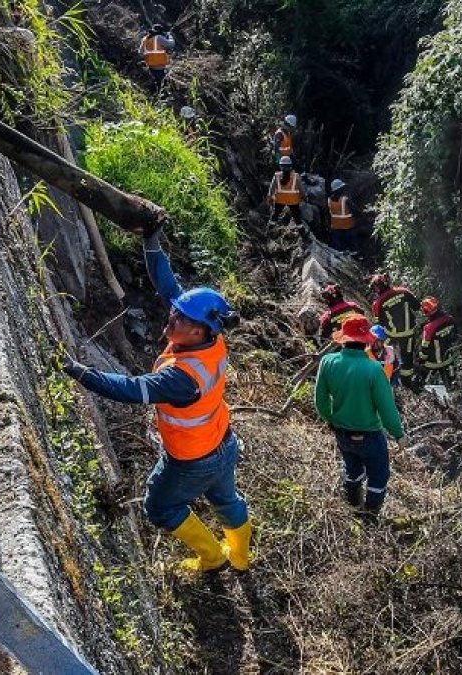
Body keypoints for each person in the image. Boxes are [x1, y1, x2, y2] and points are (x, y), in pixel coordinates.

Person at [61, 231, 251, 573]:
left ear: (198, 330)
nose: (171, 317)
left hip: (192, 460)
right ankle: (240, 558)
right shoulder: (211, 339)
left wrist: (83, 374)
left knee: (160, 508)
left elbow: (132, 389)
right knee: (226, 500)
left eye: (179, 318)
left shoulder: (183, 379)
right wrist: (152, 242)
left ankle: (214, 559)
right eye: (175, 313)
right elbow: (168, 288)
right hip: (223, 442)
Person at [314, 315, 406, 521]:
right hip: (371, 435)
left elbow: (319, 401)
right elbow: (387, 409)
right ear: (366, 339)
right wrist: (399, 434)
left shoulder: (328, 362)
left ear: (344, 338)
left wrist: (331, 420)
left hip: (342, 433)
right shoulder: (374, 369)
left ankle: (354, 507)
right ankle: (370, 517)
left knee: (352, 468)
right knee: (378, 476)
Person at [369, 273, 421, 384]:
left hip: (390, 335)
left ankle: (384, 379)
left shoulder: (377, 304)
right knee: (407, 359)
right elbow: (417, 306)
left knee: (381, 354)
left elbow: (378, 323)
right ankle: (406, 384)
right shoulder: (404, 292)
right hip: (408, 333)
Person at [416, 296, 456, 385]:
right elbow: (454, 336)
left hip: (431, 363)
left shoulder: (429, 328)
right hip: (448, 360)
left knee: (419, 383)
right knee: (452, 384)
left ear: (426, 311)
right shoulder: (449, 319)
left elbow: (424, 348)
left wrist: (420, 360)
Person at [267, 155, 304, 227]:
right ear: (291, 166)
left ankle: (269, 230)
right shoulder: (296, 176)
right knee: (297, 218)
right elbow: (301, 190)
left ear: (280, 166)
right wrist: (304, 197)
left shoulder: (276, 176)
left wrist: (270, 199)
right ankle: (303, 233)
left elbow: (271, 189)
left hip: (279, 200)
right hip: (294, 201)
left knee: (275, 215)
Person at [137, 24, 174, 95]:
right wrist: (170, 36)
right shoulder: (158, 38)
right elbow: (171, 44)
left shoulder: (145, 39)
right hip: (160, 66)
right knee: (162, 84)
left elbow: (140, 52)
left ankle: (156, 96)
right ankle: (161, 98)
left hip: (150, 67)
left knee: (157, 83)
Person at [327, 179, 360, 252]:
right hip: (348, 227)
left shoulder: (329, 200)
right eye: (342, 188)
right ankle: (356, 255)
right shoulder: (345, 199)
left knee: (339, 246)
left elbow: (328, 214)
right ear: (339, 189)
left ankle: (342, 253)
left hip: (336, 227)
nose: (343, 189)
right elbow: (356, 211)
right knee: (353, 244)